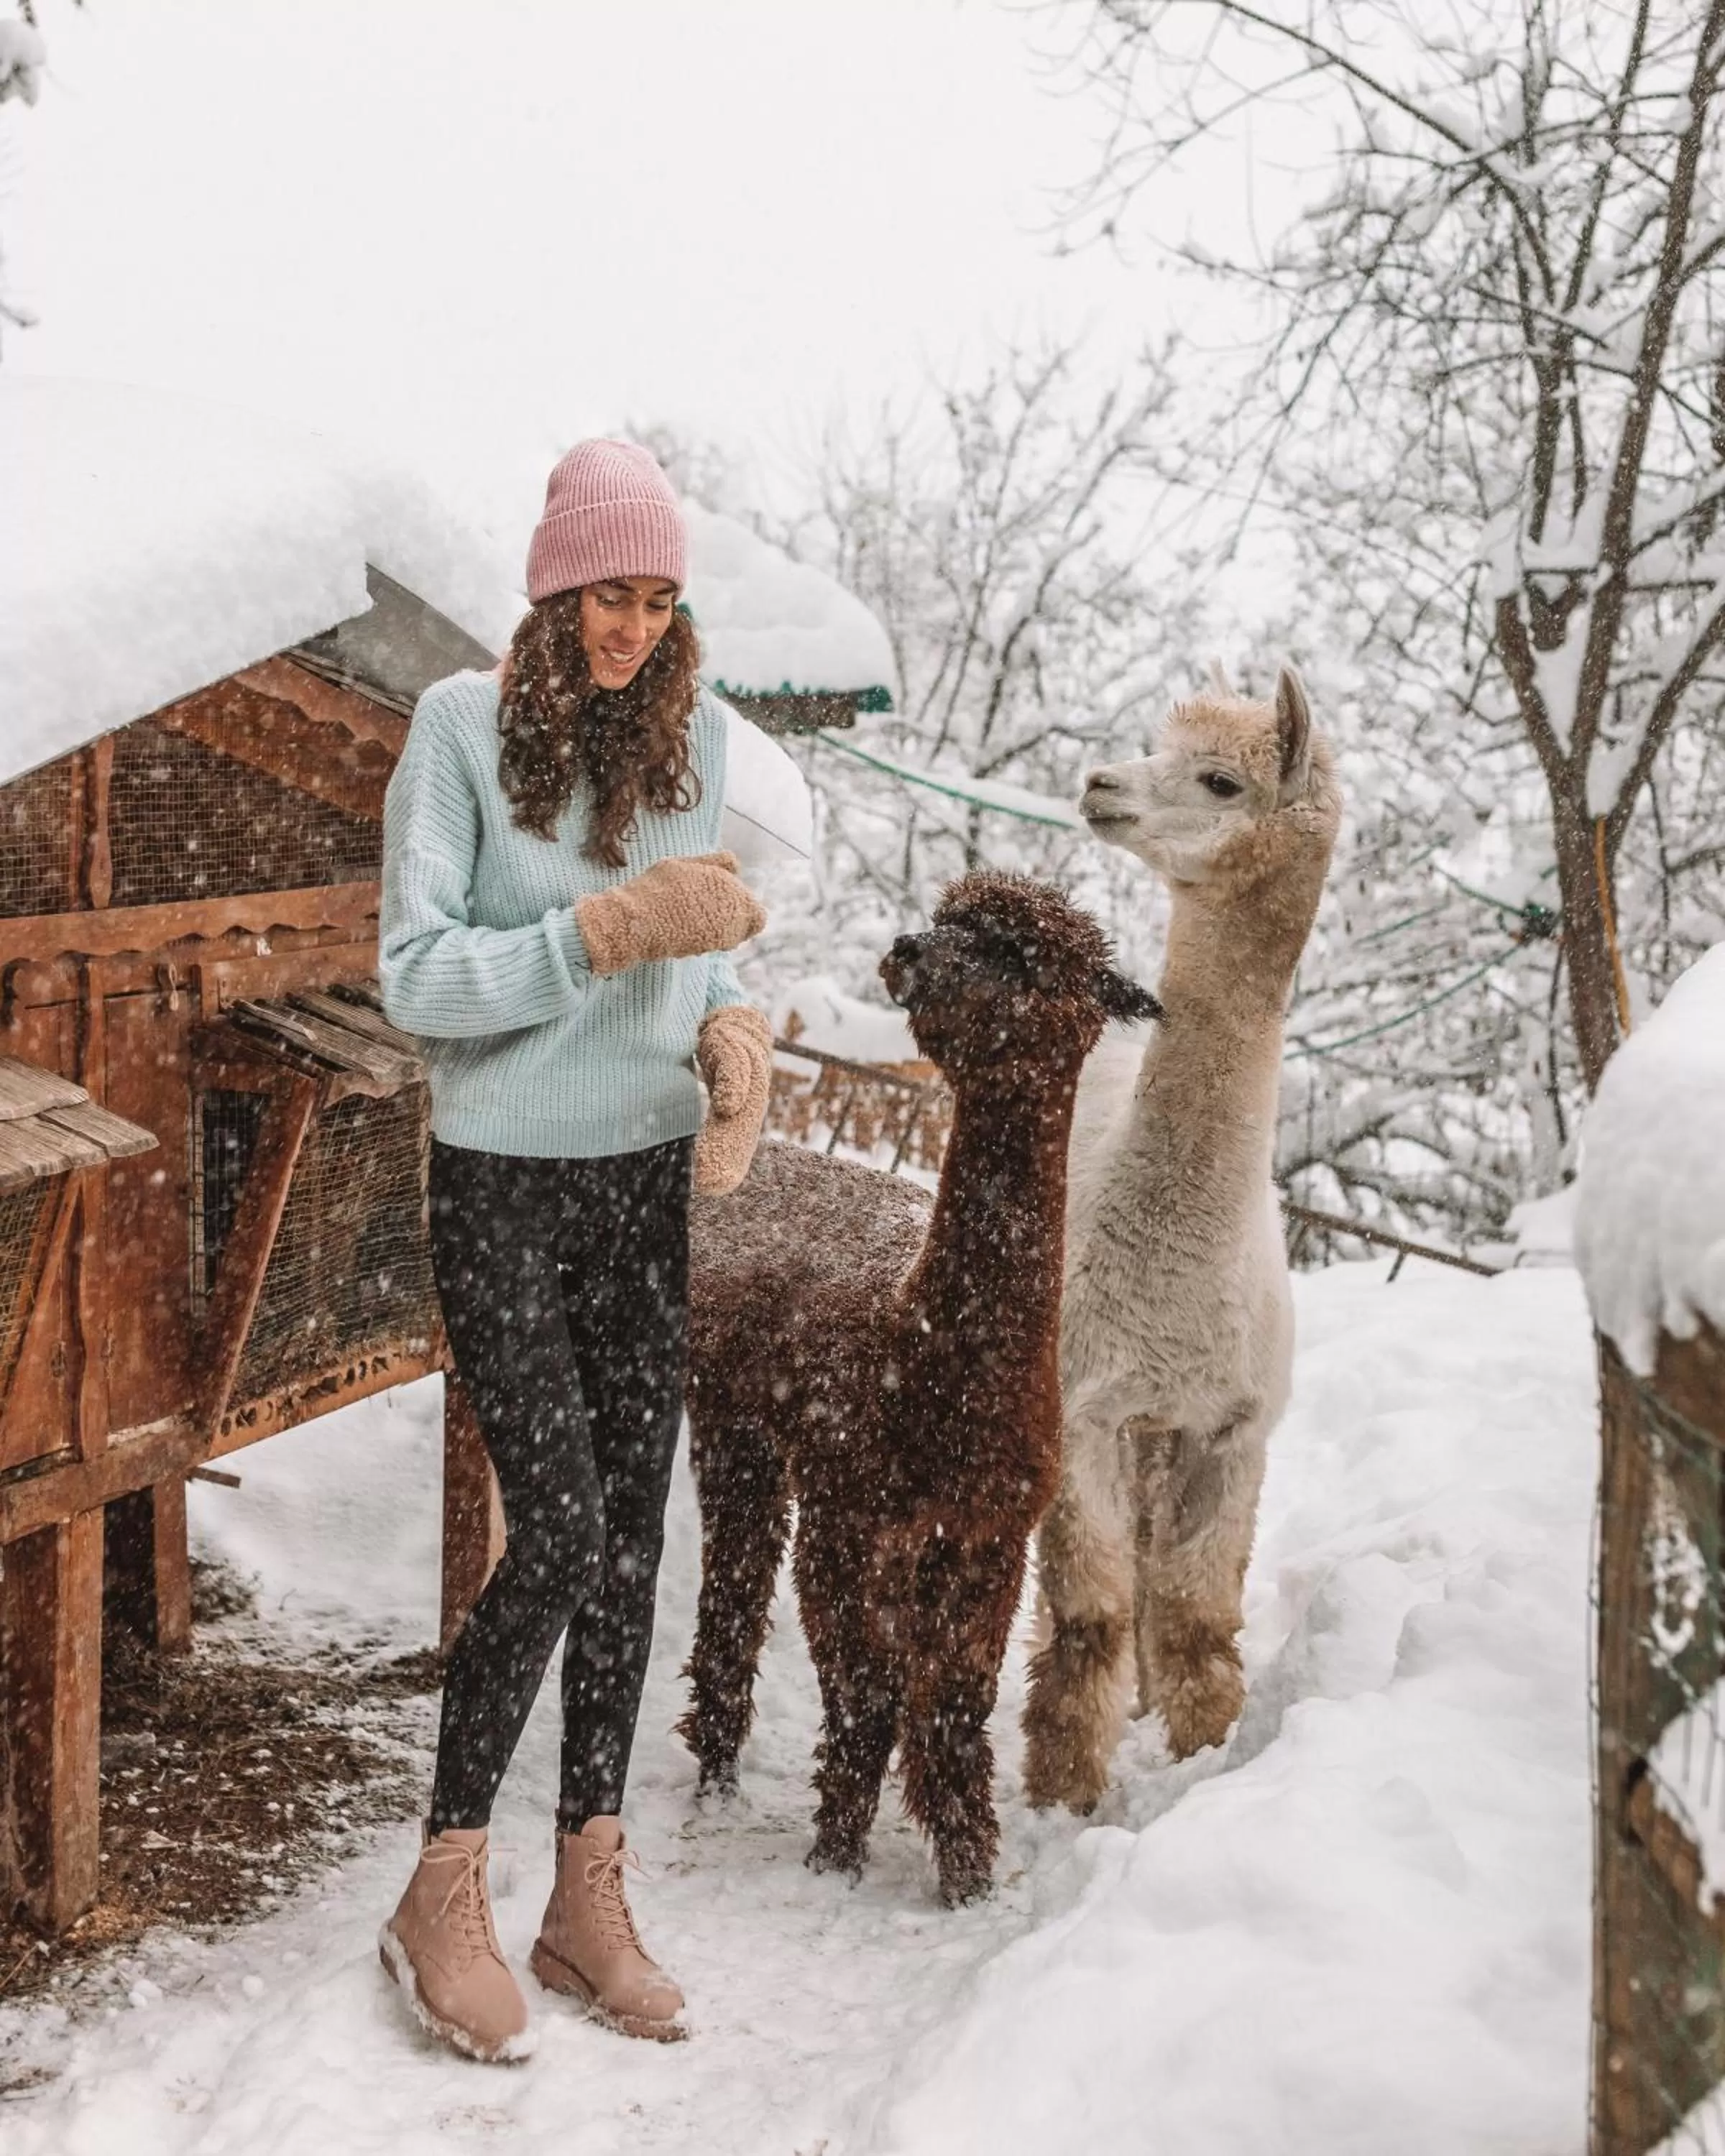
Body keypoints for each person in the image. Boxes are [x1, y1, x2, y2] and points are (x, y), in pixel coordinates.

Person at [375, 440, 774, 2062]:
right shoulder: (457, 730)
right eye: (613, 594)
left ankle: (584, 1889)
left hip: (641, 1178)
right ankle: (442, 1883)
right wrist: (598, 933)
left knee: (631, 1542)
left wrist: (732, 1029)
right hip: (502, 1182)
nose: (635, 627)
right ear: (556, 588)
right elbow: (417, 979)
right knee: (556, 1531)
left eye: (661, 600)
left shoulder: (700, 739)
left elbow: (700, 952)